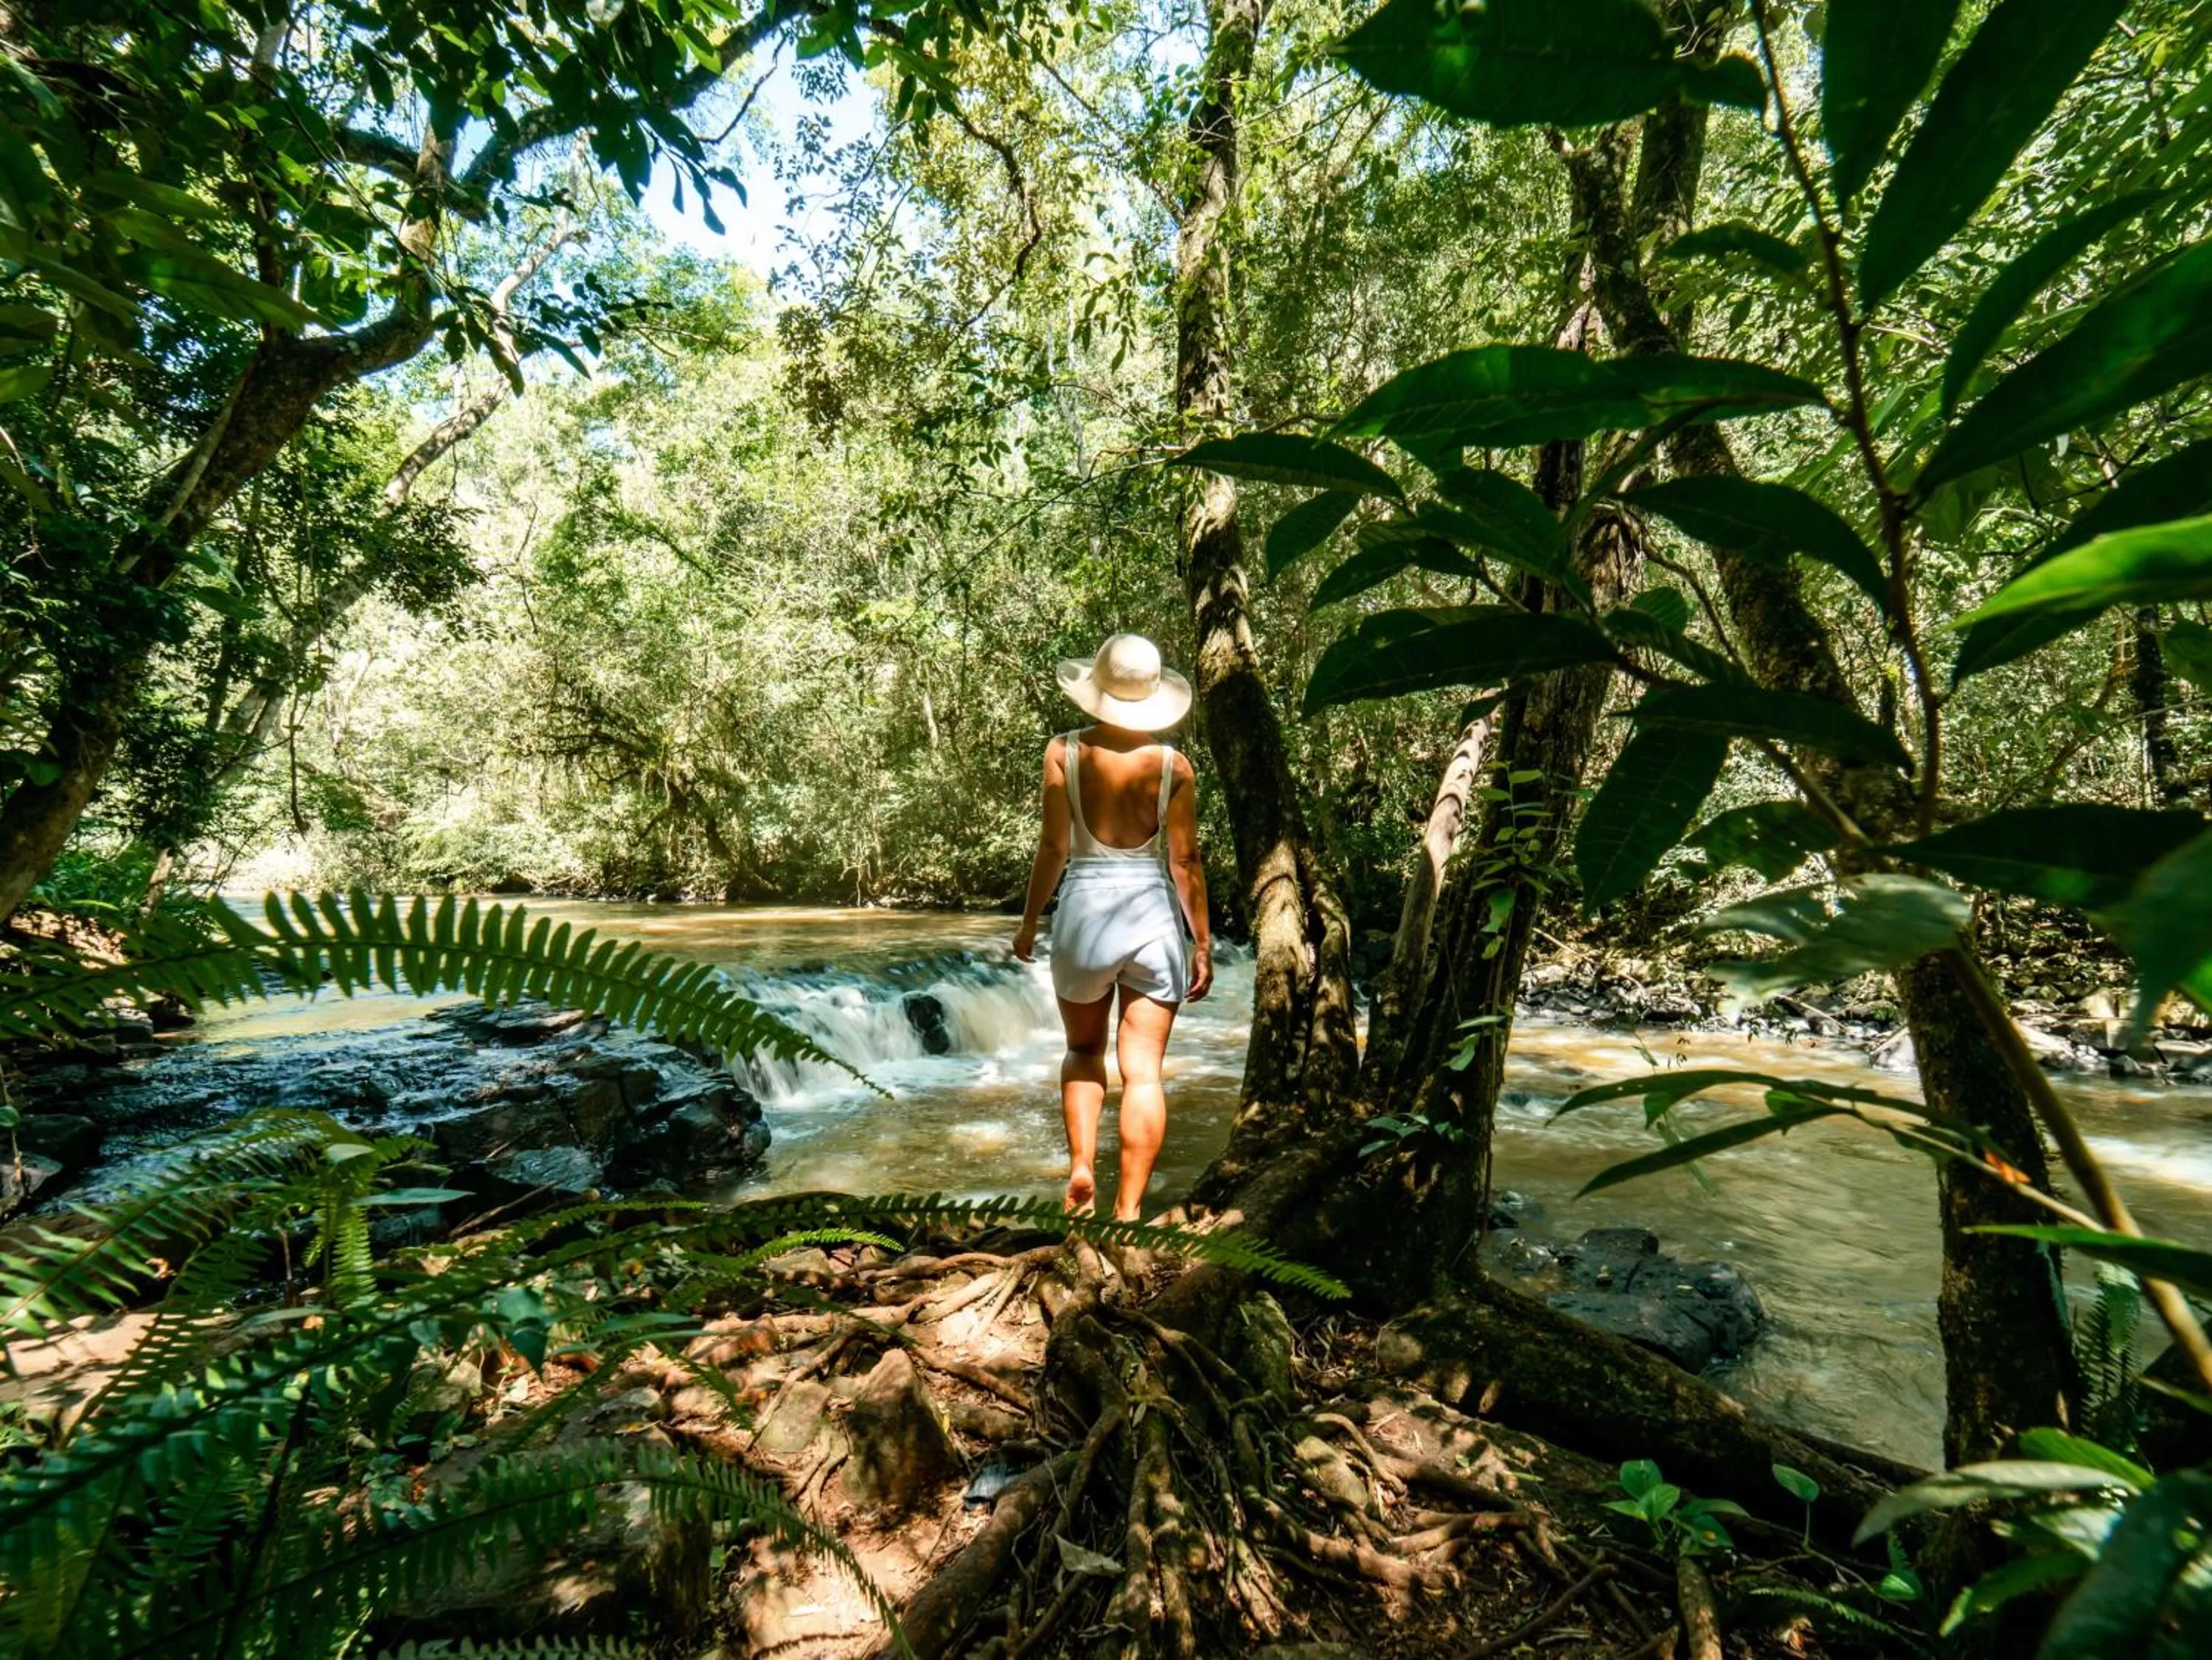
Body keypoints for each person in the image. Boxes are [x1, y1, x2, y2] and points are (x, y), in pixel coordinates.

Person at [1012, 633, 1212, 1221]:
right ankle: (1127, 1214)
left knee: (1081, 1049)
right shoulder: (1175, 766)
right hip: (1152, 917)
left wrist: (1028, 925)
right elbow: (1185, 862)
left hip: (1083, 916)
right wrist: (1202, 942)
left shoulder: (1063, 753)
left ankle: (1080, 1169)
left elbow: (1052, 848)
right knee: (1144, 1073)